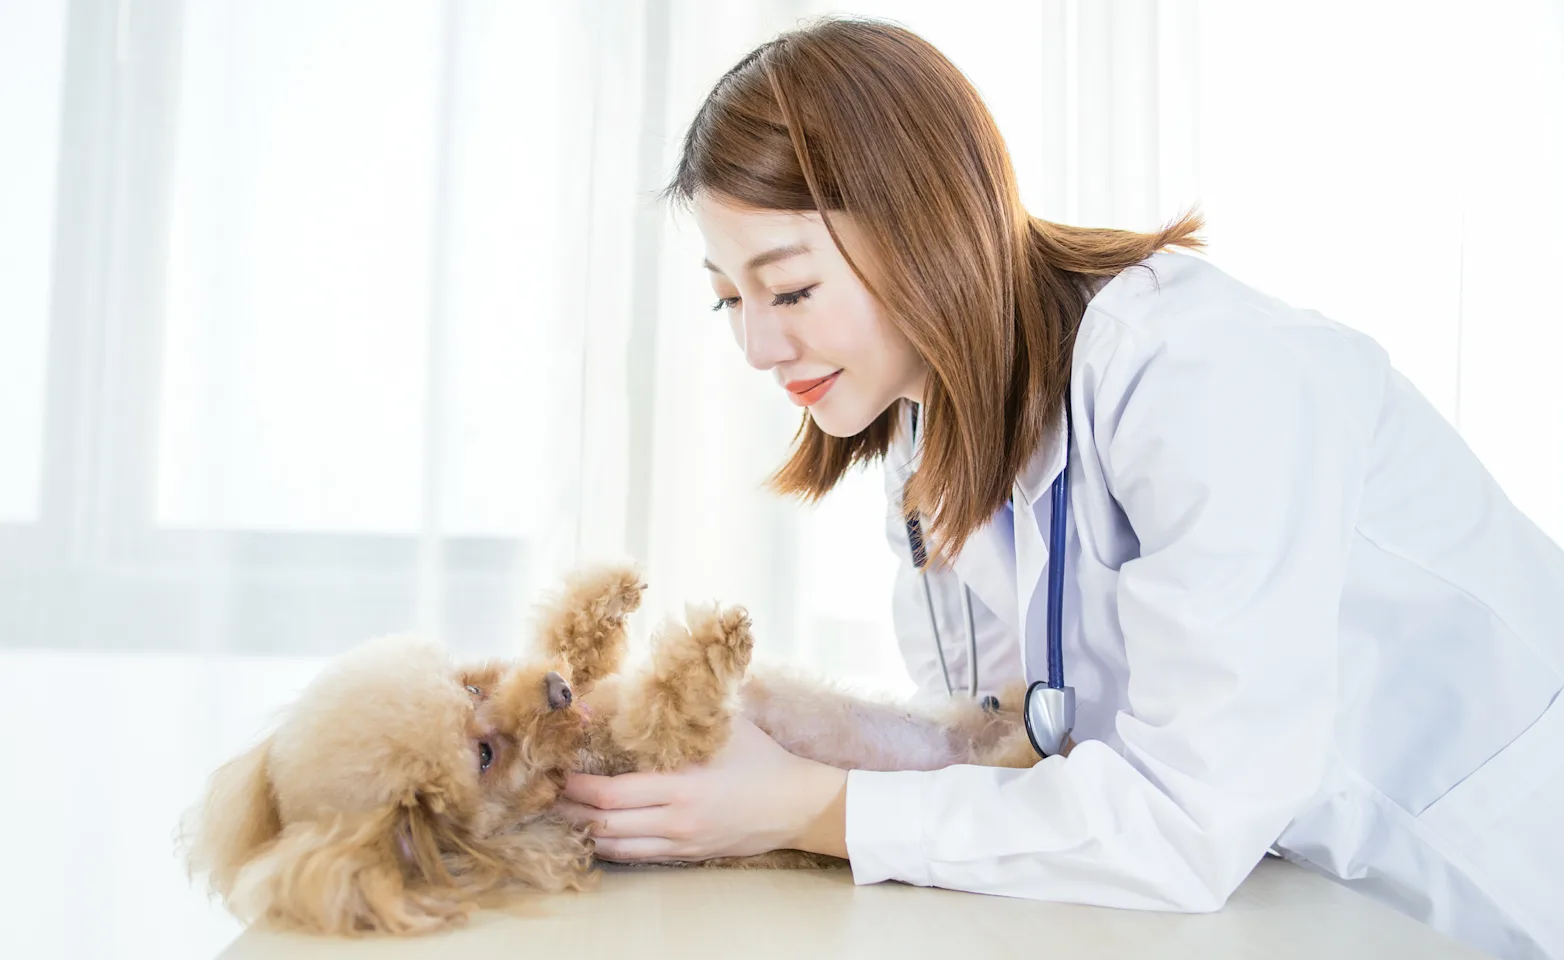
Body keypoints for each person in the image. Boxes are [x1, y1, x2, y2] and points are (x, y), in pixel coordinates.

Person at [555, 17, 1564, 959]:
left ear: (925, 228)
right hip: (1292, 900)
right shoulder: (923, 428)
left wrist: (801, 806)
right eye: (729, 297)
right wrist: (731, 741)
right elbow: (999, 743)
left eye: (790, 290)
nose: (757, 345)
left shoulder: (1201, 375)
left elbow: (1184, 819)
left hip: (1486, 885)